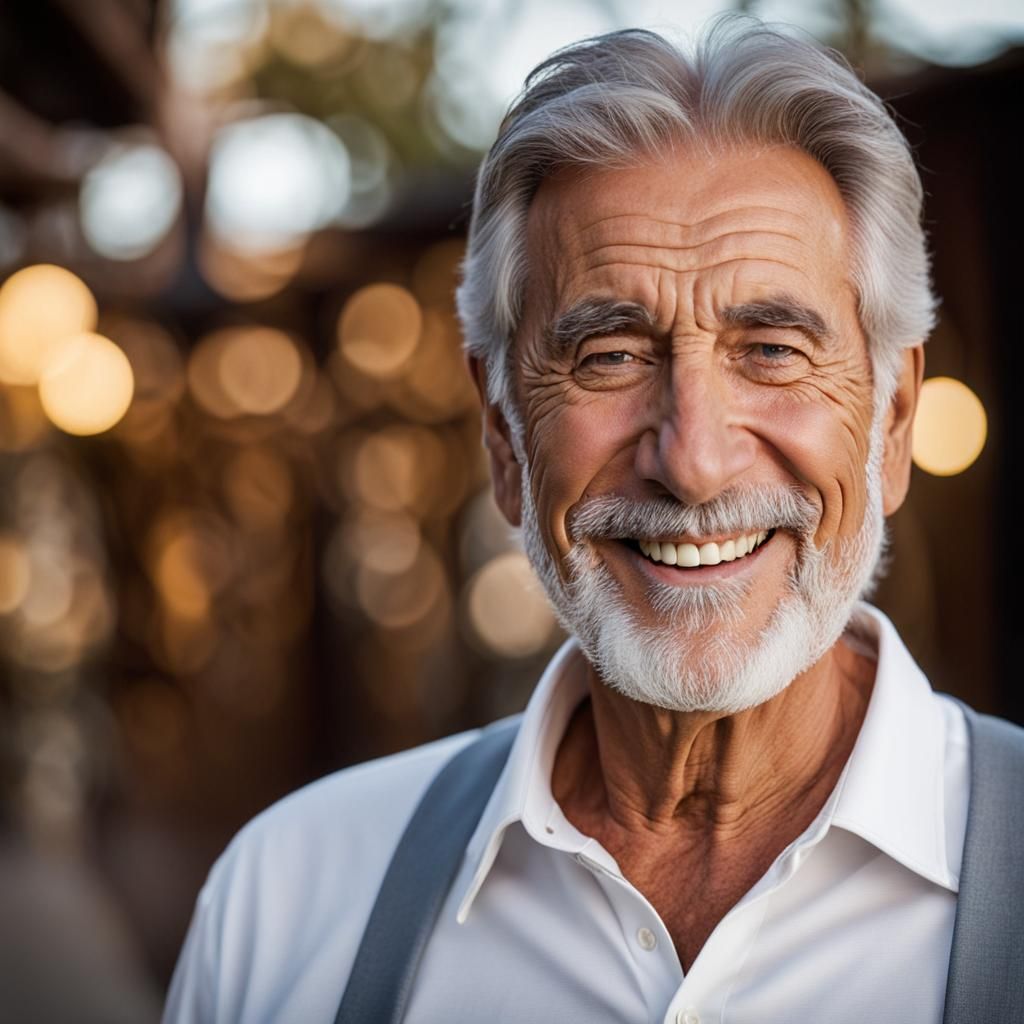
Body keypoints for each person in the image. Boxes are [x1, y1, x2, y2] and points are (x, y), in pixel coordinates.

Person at [164, 18, 1021, 1024]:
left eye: (773, 349)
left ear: (892, 422)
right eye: (609, 355)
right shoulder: (291, 898)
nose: (693, 462)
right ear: (502, 437)